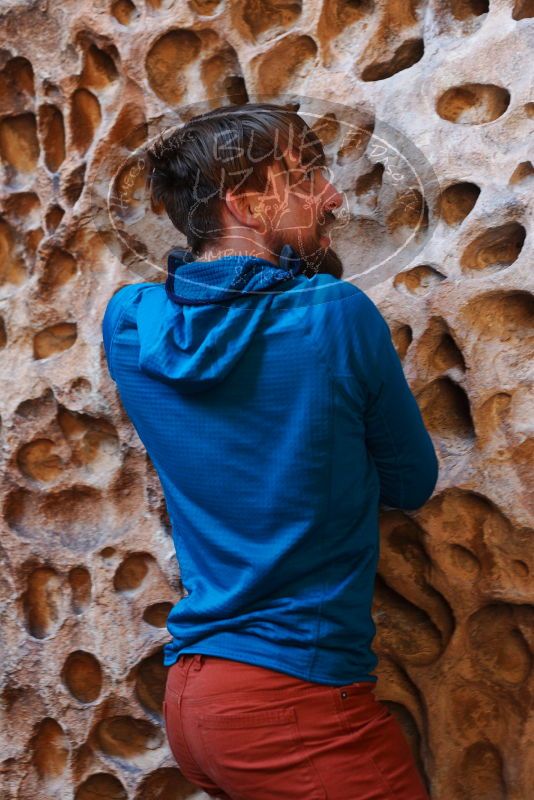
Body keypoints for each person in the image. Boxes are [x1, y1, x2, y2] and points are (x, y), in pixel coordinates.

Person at [101, 102, 438, 799]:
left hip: (194, 702)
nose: (332, 194)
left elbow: (202, 300)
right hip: (298, 706)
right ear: (247, 203)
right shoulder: (333, 312)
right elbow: (411, 481)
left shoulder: (128, 322)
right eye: (307, 175)